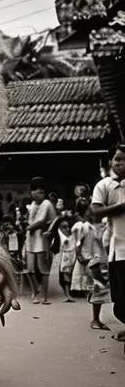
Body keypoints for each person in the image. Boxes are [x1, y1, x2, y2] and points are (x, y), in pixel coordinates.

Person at [91, 144, 125, 341]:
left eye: (124, 159)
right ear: (110, 162)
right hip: (117, 250)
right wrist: (120, 206)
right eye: (118, 159)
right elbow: (96, 212)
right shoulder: (104, 186)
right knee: (120, 300)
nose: (121, 163)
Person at [71, 198, 109, 330]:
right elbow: (78, 243)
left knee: (97, 288)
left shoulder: (96, 225)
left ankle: (96, 319)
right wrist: (80, 256)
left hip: (97, 259)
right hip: (92, 260)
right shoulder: (84, 226)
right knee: (98, 288)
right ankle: (95, 320)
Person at [24, 177, 57, 304]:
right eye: (33, 192)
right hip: (31, 239)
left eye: (38, 192)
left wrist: (29, 227)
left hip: (42, 240)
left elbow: (43, 221)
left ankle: (43, 294)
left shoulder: (47, 204)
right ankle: (35, 290)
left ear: (43, 192)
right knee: (30, 268)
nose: (35, 195)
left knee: (43, 269)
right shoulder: (32, 205)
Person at [50, 215, 76, 302]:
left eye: (68, 227)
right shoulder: (58, 238)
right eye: (64, 227)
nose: (67, 229)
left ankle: (69, 294)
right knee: (64, 277)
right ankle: (67, 294)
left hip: (71, 258)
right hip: (61, 259)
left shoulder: (73, 236)